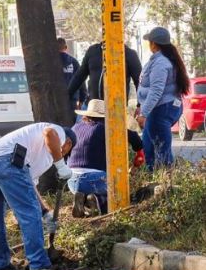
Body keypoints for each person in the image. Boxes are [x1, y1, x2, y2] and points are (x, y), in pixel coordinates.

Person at [0, 123, 77, 270]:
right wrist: (61, 166)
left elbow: (29, 186)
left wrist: (45, 212)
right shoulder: (59, 132)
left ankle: (1, 264)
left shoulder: (38, 153)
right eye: (66, 150)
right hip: (7, 160)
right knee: (29, 213)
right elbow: (50, 133)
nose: (63, 152)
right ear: (68, 143)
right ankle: (39, 264)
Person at [68, 99, 143, 216]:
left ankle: (84, 201)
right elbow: (134, 137)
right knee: (117, 189)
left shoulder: (75, 128)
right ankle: (96, 200)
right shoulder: (105, 128)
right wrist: (139, 151)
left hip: (71, 180)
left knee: (91, 186)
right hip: (95, 180)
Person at [136, 27, 190, 170]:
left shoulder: (161, 63)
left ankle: (165, 184)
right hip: (162, 108)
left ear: (153, 43)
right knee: (148, 146)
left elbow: (156, 91)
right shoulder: (161, 60)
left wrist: (143, 113)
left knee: (161, 151)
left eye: (149, 42)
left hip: (161, 109)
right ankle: (152, 180)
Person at [68, 41, 142, 102]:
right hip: (93, 107)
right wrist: (67, 95)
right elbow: (79, 76)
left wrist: (140, 105)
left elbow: (139, 82)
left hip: (117, 110)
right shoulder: (92, 51)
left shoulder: (129, 54)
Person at [59, 38, 87, 109]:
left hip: (56, 100)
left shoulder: (52, 63)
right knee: (72, 119)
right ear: (66, 47)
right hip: (72, 100)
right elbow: (81, 80)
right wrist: (82, 99)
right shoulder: (74, 62)